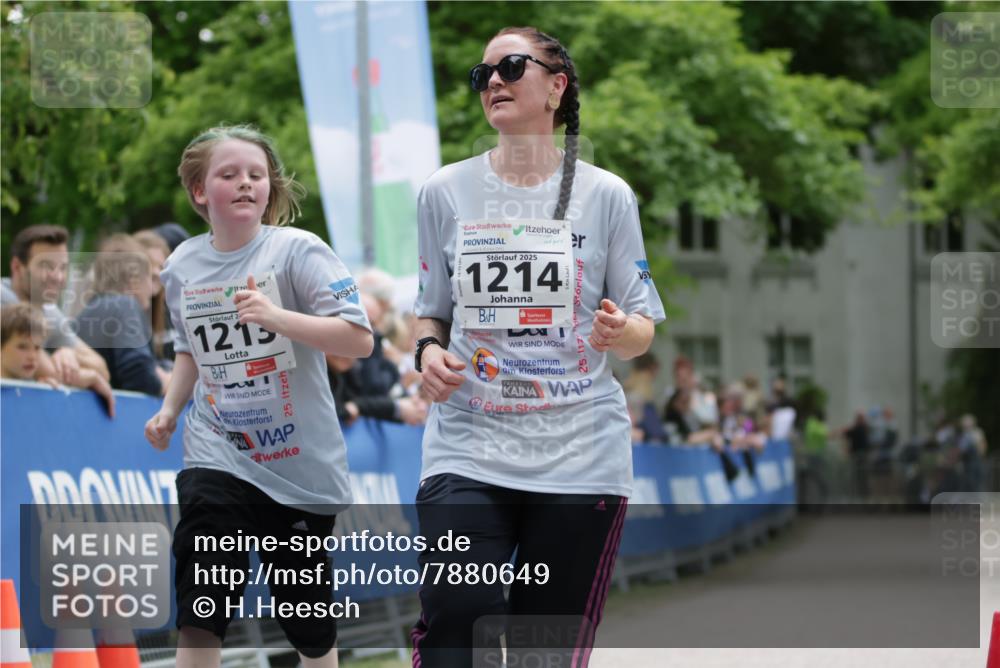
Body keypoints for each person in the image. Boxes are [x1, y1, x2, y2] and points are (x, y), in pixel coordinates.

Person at [410, 27, 664, 666]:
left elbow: (641, 327)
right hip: (469, 442)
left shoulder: (606, 194)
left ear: (557, 87)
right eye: (482, 74)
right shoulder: (444, 191)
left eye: (512, 66)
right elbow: (430, 315)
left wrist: (620, 331)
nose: (493, 81)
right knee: (456, 623)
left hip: (580, 453)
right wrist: (426, 355)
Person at [144, 124, 373, 668]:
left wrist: (278, 318)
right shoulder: (181, 266)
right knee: (203, 592)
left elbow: (359, 340)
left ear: (270, 188)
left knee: (307, 622)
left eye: (256, 175)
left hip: (298, 465)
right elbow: (189, 351)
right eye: (229, 175)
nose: (246, 184)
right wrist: (170, 409)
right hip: (217, 450)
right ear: (201, 191)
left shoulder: (298, 250)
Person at [1, 224, 109, 385]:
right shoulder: (4, 299)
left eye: (63, 268)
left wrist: (67, 352)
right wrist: (91, 378)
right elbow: (47, 370)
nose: (57, 277)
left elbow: (101, 369)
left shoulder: (48, 310)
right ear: (17, 267)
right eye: (46, 266)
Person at [75, 235, 168, 396]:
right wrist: (167, 384)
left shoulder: (85, 312)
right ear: (134, 280)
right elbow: (138, 374)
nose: (152, 286)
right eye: (148, 275)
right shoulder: (126, 305)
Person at [1, 303, 115, 416]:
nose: (32, 356)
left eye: (37, 348)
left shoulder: (37, 387)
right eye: (22, 347)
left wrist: (42, 393)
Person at [133, 229, 176, 364]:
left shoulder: (168, 310)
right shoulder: (121, 310)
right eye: (149, 264)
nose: (156, 272)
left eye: (161, 266)